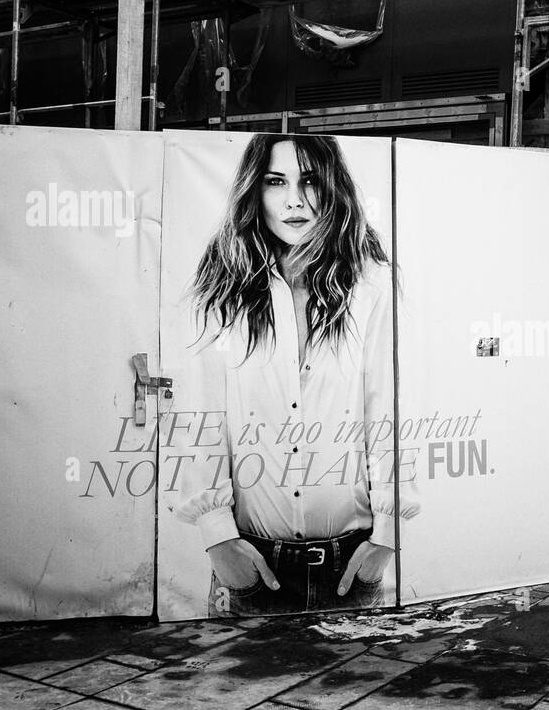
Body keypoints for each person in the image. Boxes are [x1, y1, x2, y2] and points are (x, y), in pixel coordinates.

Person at [176, 134, 414, 615]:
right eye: (275, 182)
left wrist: (386, 537)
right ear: (254, 191)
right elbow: (199, 413)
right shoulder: (225, 289)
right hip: (251, 565)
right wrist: (219, 541)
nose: (294, 201)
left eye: (309, 181)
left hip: (352, 563)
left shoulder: (369, 286)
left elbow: (385, 409)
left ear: (332, 187)